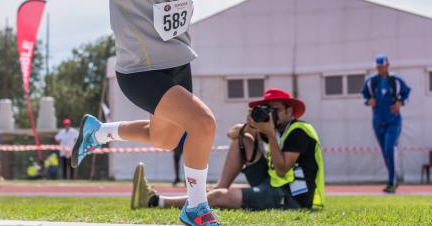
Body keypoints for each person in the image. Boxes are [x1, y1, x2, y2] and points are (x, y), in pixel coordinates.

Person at [21, 0, 264, 226]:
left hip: (179, 64)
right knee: (203, 123)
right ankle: (196, 207)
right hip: (140, 70)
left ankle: (99, 131)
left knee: (164, 139)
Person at [132, 88, 324, 211]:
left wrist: (270, 134)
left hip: (292, 198)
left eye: (274, 110)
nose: (269, 114)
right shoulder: (274, 128)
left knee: (217, 198)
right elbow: (233, 134)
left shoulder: (299, 131)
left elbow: (282, 169)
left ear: (289, 111)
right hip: (272, 184)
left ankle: (155, 201)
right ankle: (220, 187)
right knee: (244, 140)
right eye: (266, 109)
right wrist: (251, 126)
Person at [361, 54, 410, 193]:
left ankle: (392, 182)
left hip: (393, 121)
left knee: (390, 148)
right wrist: (368, 101)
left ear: (387, 65)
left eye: (382, 66)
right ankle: (392, 179)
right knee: (384, 152)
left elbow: (407, 93)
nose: (380, 69)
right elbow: (363, 95)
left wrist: (400, 102)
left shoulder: (396, 80)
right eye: (378, 67)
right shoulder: (371, 82)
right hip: (378, 121)